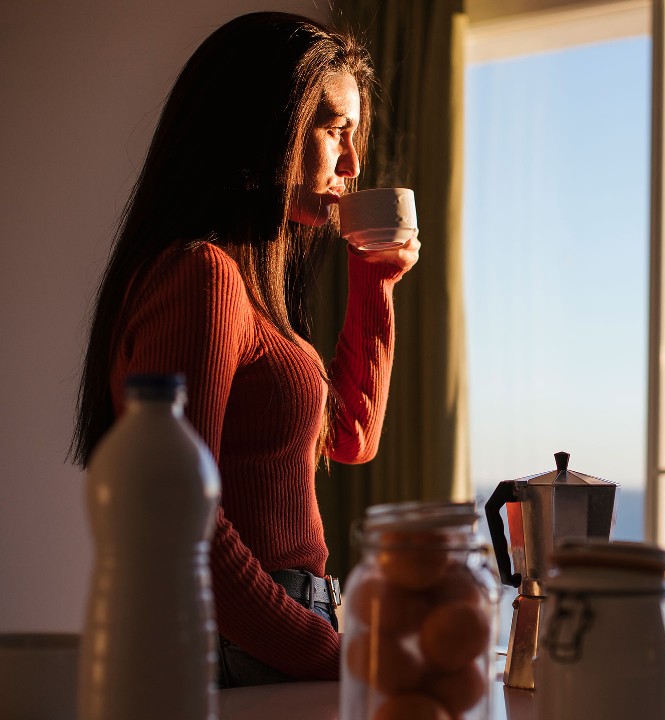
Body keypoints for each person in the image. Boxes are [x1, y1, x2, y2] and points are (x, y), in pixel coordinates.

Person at [70, 12, 418, 686]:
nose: (352, 164)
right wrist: (327, 652)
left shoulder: (247, 281)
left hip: (277, 631)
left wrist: (374, 282)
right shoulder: (202, 275)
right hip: (250, 641)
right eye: (335, 130)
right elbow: (181, 520)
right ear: (266, 123)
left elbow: (349, 439)